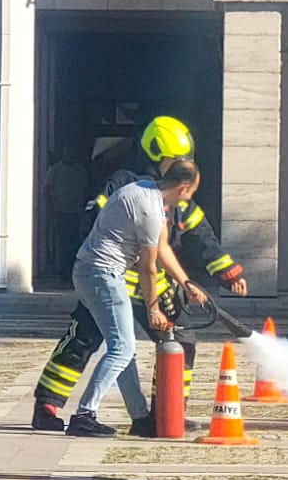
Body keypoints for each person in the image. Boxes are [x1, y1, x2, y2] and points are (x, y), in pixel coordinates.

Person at [31, 116, 247, 433]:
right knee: (83, 340)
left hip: (151, 282)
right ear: (158, 154)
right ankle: (49, 406)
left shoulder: (177, 197)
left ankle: (166, 412)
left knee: (179, 341)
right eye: (176, 159)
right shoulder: (128, 184)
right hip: (116, 278)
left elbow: (202, 237)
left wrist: (227, 273)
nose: (182, 165)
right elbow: (117, 235)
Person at [68, 157, 204, 437]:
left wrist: (186, 282)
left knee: (122, 346)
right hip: (102, 274)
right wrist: (154, 308)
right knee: (122, 348)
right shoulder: (150, 211)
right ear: (183, 187)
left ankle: (140, 418)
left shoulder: (143, 190)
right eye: (190, 193)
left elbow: (163, 247)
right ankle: (84, 415)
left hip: (90, 271)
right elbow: (148, 267)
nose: (188, 200)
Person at [42, 146, 89, 278]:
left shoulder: (80, 170)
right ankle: (61, 270)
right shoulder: (54, 170)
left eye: (72, 152)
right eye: (67, 152)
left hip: (76, 212)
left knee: (74, 241)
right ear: (62, 154)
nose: (69, 155)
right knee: (60, 242)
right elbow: (46, 191)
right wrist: (51, 209)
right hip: (60, 212)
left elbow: (85, 191)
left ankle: (72, 269)